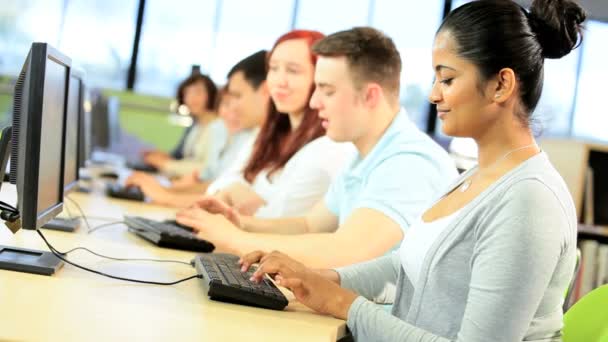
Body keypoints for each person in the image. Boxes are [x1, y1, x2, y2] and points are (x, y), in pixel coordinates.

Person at [238, 1, 585, 340]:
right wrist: (321, 279)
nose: (433, 95)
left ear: (501, 85)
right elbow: (406, 266)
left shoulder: (529, 200)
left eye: (447, 79)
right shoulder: (475, 178)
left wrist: (345, 304)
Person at [176, 27, 457, 268]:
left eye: (327, 90)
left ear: (371, 95)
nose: (314, 102)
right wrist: (239, 222)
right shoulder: (363, 155)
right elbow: (309, 225)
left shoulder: (409, 162)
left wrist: (234, 239)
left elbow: (347, 250)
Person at [203, 30, 356, 218]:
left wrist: (236, 194)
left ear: (322, 77)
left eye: (293, 71)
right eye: (274, 69)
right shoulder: (267, 135)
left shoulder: (330, 146)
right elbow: (216, 188)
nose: (279, 81)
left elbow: (280, 219)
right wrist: (234, 191)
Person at [125, 51, 269, 207]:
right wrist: (168, 190)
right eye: (187, 93)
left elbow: (222, 188)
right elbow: (219, 185)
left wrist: (168, 191)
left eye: (237, 97)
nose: (232, 109)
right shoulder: (205, 127)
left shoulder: (231, 131)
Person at [139, 73, 227, 178]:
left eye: (197, 92)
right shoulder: (196, 125)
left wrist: (165, 164)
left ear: (211, 94)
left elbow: (208, 170)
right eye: (187, 93)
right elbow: (185, 157)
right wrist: (164, 157)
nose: (191, 98)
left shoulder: (219, 126)